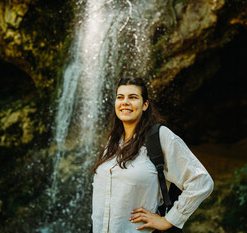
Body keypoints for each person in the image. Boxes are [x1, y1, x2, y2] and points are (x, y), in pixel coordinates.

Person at [91, 77, 214, 232]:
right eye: (120, 97)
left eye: (133, 97)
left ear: (145, 105)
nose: (125, 102)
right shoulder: (113, 141)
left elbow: (201, 181)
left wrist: (169, 220)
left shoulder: (160, 137)